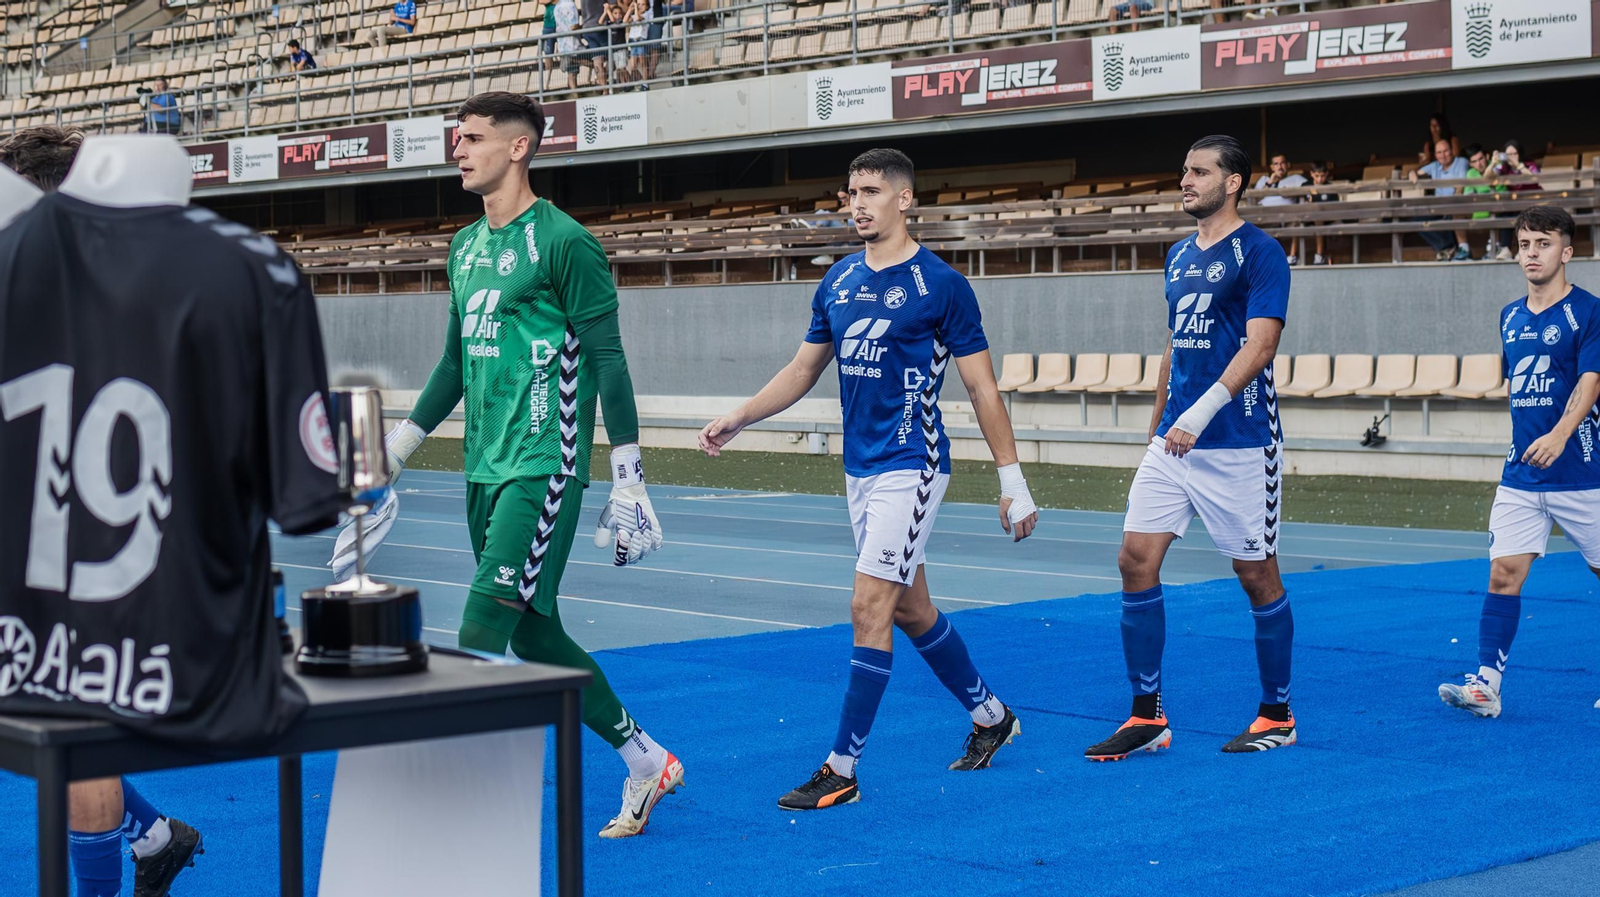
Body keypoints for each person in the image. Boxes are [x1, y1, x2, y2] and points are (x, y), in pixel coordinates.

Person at [0, 130, 343, 891]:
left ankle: (133, 850)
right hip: (98, 563)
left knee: (71, 725)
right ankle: (153, 833)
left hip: (109, 569)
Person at [363, 92, 680, 838]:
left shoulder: (566, 242)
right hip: (484, 467)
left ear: (518, 148)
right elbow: (452, 363)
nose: (458, 150)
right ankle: (646, 759)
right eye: (456, 137)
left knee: (481, 619)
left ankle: (447, 793)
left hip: (545, 463)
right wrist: (396, 453)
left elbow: (607, 360)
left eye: (471, 138)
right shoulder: (465, 246)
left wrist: (628, 472)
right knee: (534, 634)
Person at [699, 148, 1040, 810]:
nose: (857, 202)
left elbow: (981, 385)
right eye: (851, 191)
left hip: (912, 466)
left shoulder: (942, 284)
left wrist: (1012, 477)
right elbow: (802, 370)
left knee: (867, 604)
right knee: (909, 607)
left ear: (905, 200)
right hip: (859, 469)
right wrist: (741, 413)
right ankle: (992, 715)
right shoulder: (839, 280)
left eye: (872, 191)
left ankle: (842, 766)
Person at [1084, 134, 1294, 761]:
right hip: (1173, 443)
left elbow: (1260, 346)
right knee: (1133, 559)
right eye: (1184, 171)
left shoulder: (1260, 252)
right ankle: (1146, 715)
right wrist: (1158, 428)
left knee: (1255, 575)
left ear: (1233, 182)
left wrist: (1199, 416)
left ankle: (1277, 715)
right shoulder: (1177, 255)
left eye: (1200, 172)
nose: (1187, 180)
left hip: (1239, 442)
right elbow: (1175, 349)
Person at [1438, 205, 1600, 718]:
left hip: (1582, 472)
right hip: (1521, 474)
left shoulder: (1590, 311)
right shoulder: (1508, 316)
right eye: (1525, 244)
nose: (1532, 253)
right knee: (1504, 573)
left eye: (1544, 244)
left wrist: (1559, 433)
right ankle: (1486, 686)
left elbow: (1591, 381)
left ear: (1567, 252)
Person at [1410, 138, 1472, 261]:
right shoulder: (1435, 166)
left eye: (1445, 151)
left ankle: (1456, 249)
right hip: (1438, 208)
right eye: (1439, 152)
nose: (1443, 156)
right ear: (1435, 155)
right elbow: (1418, 172)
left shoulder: (1461, 162)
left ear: (1452, 151)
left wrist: (1450, 205)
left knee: (1452, 215)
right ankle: (1446, 247)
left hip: (1458, 206)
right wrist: (1412, 173)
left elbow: (1460, 187)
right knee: (1416, 219)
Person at [1254, 153, 1307, 264]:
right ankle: (1262, 260)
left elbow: (1309, 192)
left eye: (1282, 163)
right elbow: (1255, 199)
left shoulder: (1296, 179)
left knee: (1297, 219)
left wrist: (1290, 193)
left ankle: (1292, 257)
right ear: (1272, 167)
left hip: (1288, 216)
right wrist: (1269, 183)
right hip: (1266, 216)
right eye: (1276, 164)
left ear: (1288, 165)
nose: (1279, 166)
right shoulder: (1264, 180)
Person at [1304, 160, 1337, 265]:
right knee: (1295, 223)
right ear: (1311, 174)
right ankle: (1292, 256)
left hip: (1326, 218)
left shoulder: (1330, 187)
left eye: (1322, 176)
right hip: (1307, 217)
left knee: (1319, 219)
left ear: (1327, 174)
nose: (1319, 179)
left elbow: (1335, 206)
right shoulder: (1305, 185)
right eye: (1317, 176)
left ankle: (1319, 256)